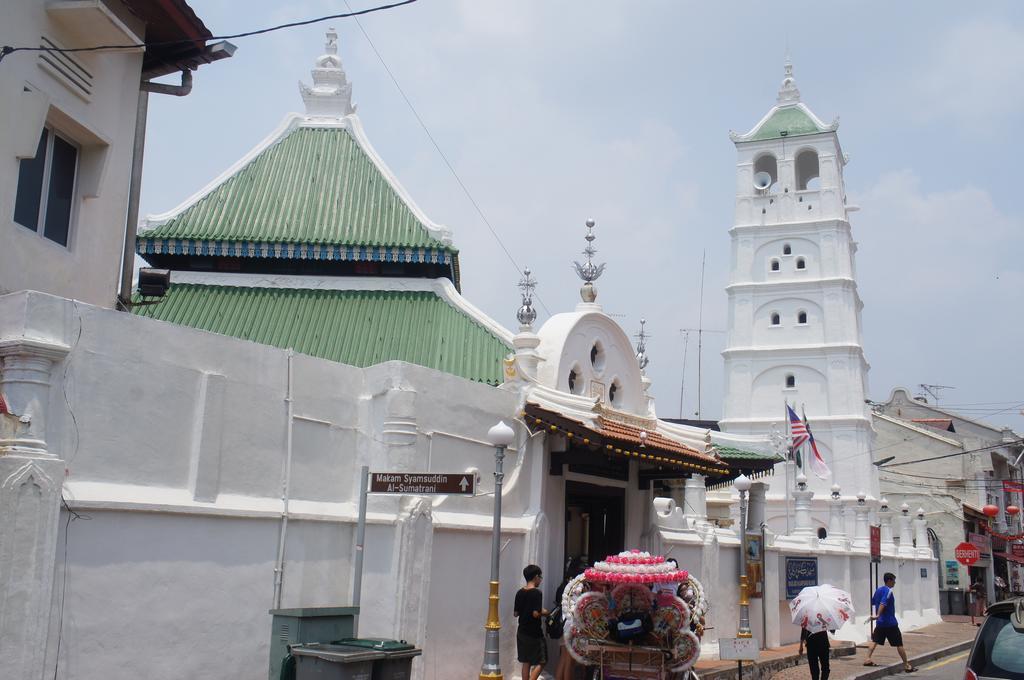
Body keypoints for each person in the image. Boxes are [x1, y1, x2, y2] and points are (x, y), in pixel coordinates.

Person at [863, 572, 916, 672]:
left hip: (880, 623)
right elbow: (883, 603)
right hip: (890, 623)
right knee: (899, 644)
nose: (895, 583)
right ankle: (906, 665)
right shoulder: (888, 591)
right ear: (889, 580)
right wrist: (878, 614)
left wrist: (875, 615)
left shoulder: (878, 590)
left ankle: (867, 659)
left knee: (875, 641)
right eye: (894, 580)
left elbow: (873, 602)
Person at [514, 564, 549, 680]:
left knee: (526, 661)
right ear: (535, 577)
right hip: (534, 633)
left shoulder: (519, 592)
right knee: (543, 660)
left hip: (522, 632)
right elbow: (535, 613)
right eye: (540, 577)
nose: (540, 580)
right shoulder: (536, 593)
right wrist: (544, 612)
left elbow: (516, 613)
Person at [554, 557, 585, 680]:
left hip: (563, 624)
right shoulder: (575, 588)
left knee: (563, 658)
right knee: (568, 660)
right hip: (569, 624)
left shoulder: (563, 586)